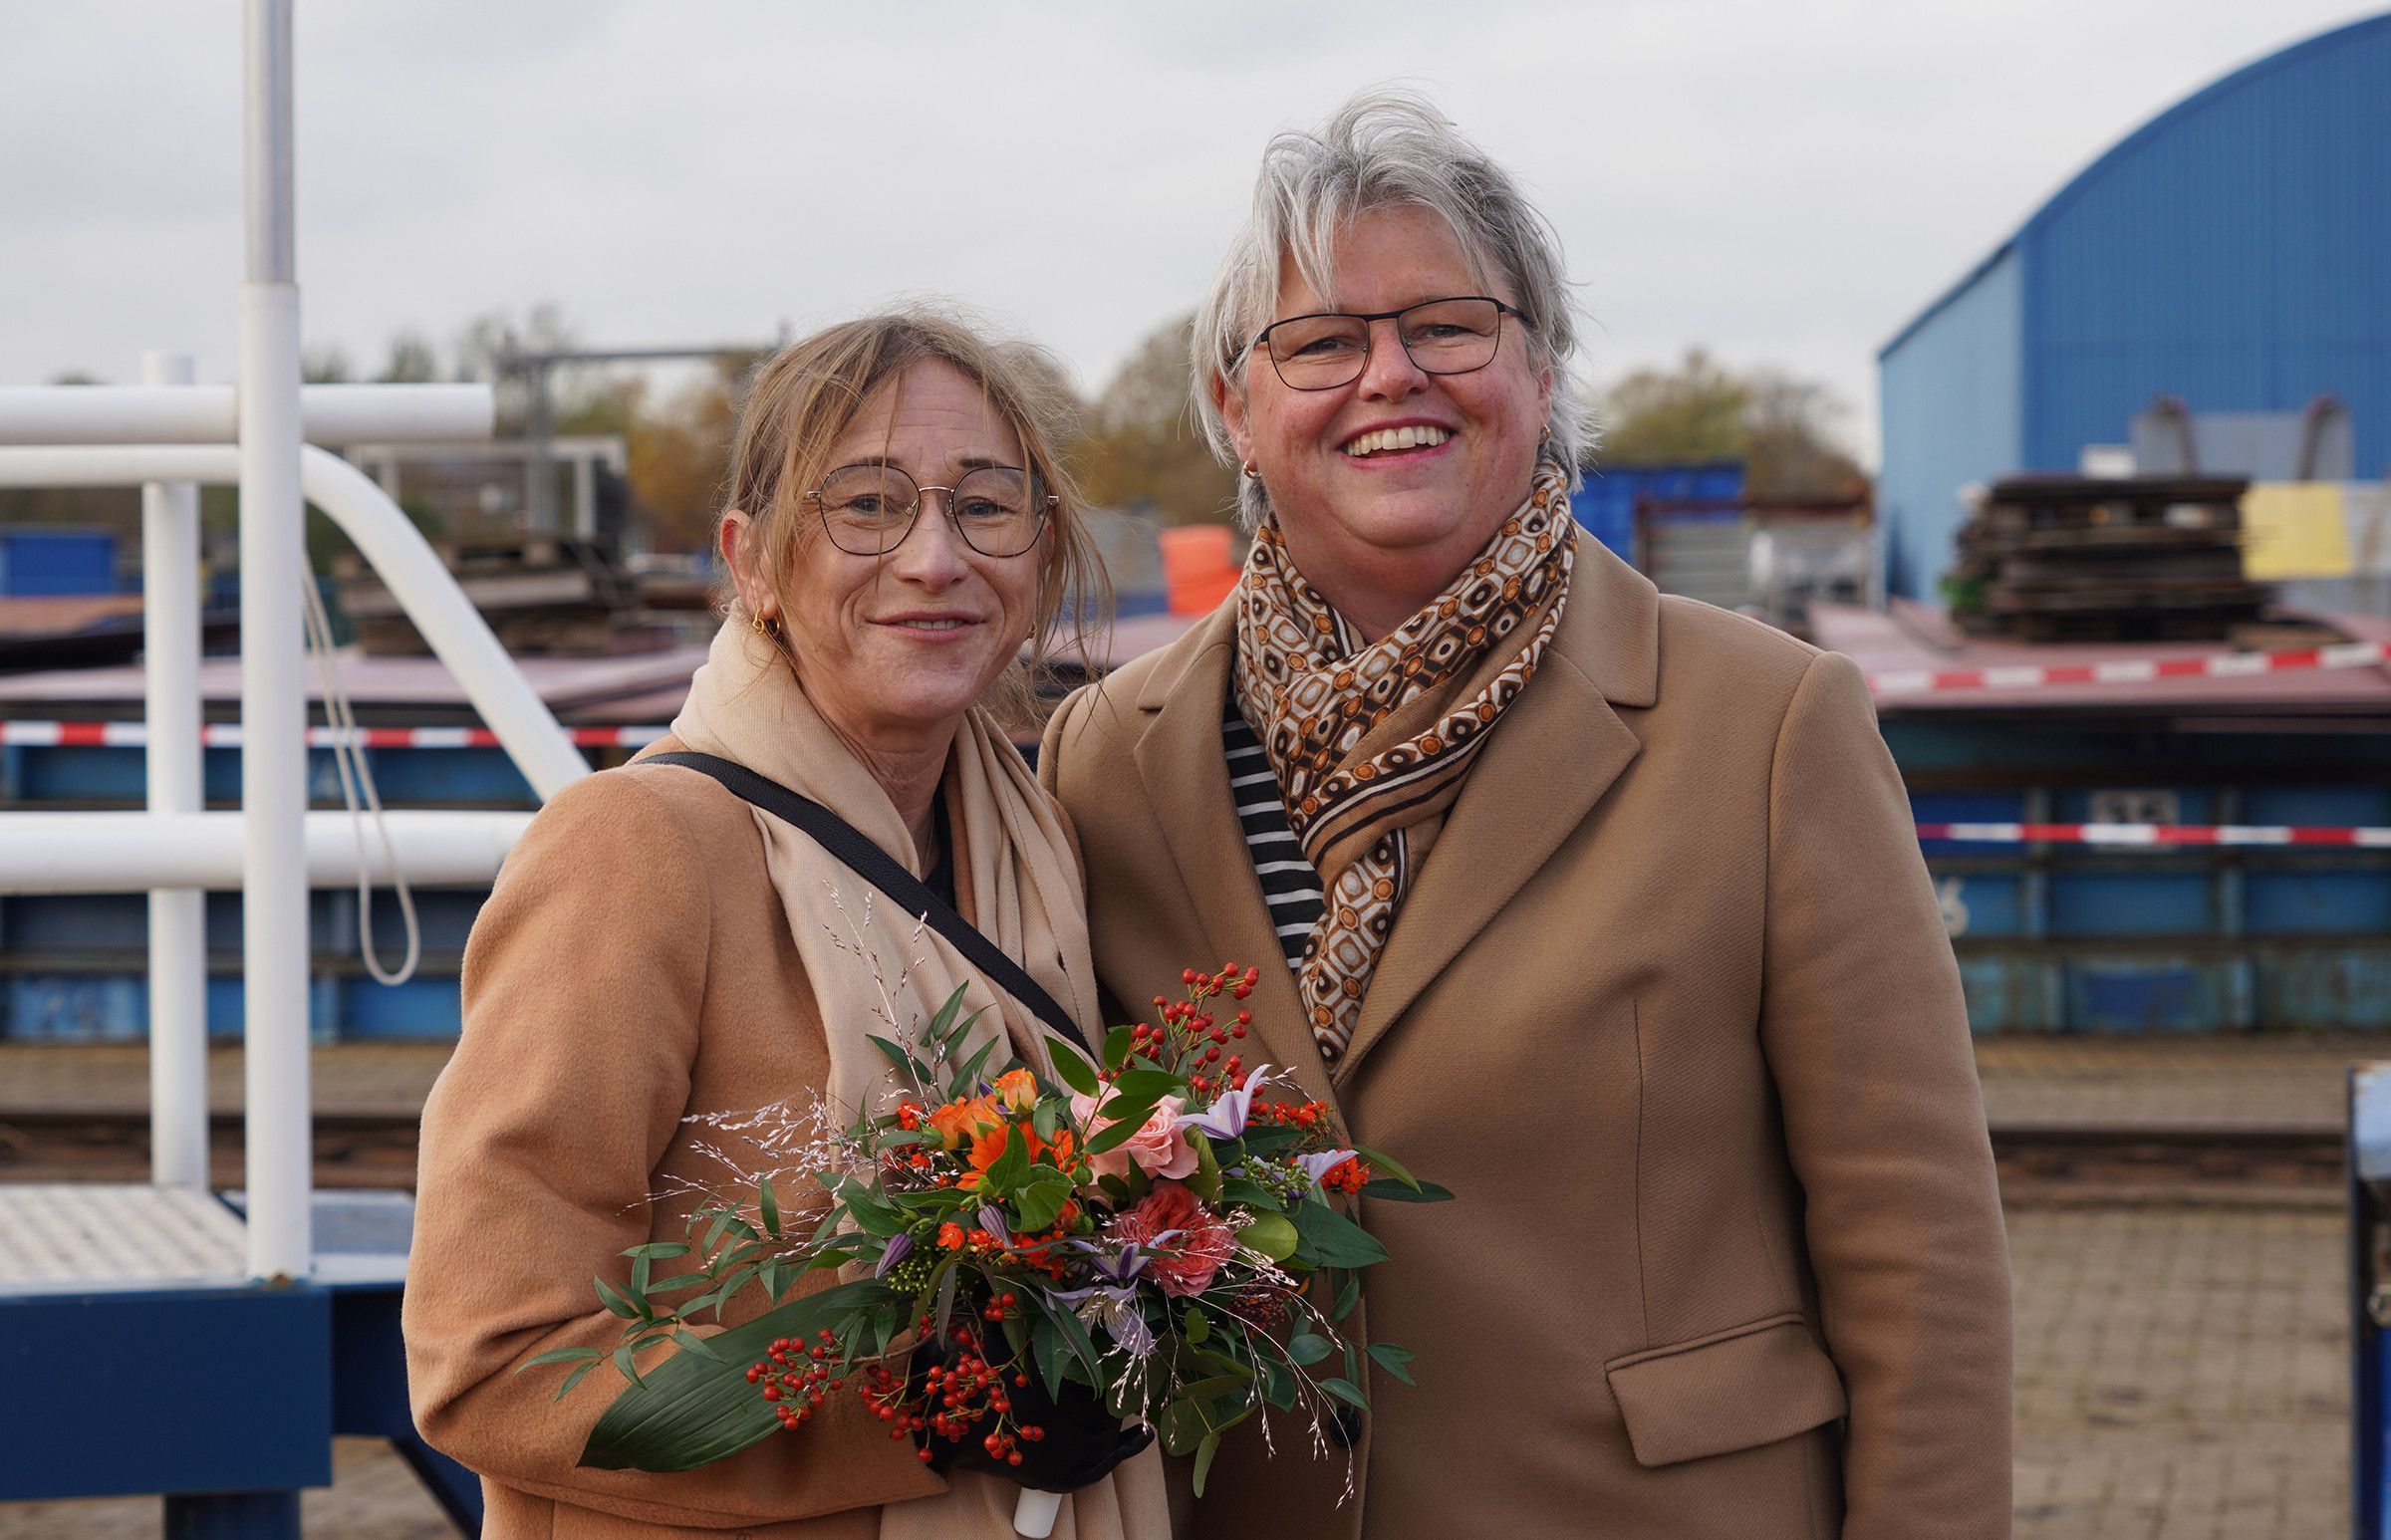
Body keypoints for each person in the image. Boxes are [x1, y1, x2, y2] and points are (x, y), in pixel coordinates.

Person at [1039, 91, 2010, 1539]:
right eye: (1321, 341)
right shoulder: (1111, 755)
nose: (1391, 375)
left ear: (1539, 369)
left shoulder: (1764, 722)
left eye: (1449, 324)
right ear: (1236, 410)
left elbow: (1916, 1247)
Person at [406, 311, 1167, 1540]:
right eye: (867, 504)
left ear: (1040, 553)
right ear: (750, 560)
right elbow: (491, 1359)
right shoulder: (640, 850)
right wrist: (920, 1408)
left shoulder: (1041, 846)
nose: (934, 556)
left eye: (986, 505)